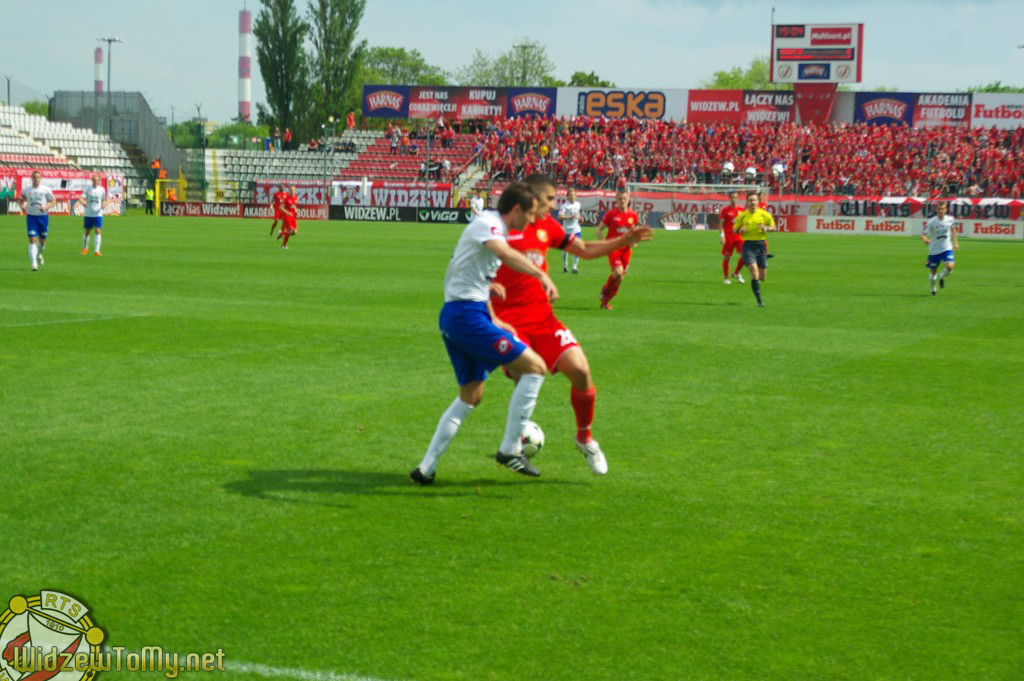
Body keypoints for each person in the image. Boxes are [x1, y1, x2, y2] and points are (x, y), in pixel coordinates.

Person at [492, 175, 652, 475]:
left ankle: (585, 438)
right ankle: (512, 445)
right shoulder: (499, 225)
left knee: (581, 371)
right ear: (534, 197)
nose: (556, 206)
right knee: (524, 377)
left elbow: (583, 249)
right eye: (551, 199)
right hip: (508, 323)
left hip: (542, 317)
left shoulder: (547, 226)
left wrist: (623, 240)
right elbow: (467, 264)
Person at [410, 183, 558, 484]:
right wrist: (540, 273)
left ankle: (426, 469)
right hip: (465, 318)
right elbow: (503, 254)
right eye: (529, 214)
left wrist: (492, 316)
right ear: (515, 209)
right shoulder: (488, 223)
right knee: (536, 368)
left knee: (471, 396)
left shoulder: (492, 229)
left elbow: (467, 276)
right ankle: (509, 449)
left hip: (464, 314)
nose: (531, 221)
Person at [595, 188, 641, 309]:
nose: (622, 201)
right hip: (614, 248)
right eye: (620, 199)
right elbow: (599, 230)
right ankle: (605, 290)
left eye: (624, 198)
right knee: (618, 272)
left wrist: (635, 241)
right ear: (616, 200)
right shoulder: (611, 214)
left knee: (620, 279)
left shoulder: (633, 215)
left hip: (626, 250)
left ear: (628, 200)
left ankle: (605, 301)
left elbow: (635, 231)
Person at [733, 192, 776, 307]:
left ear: (758, 202)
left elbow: (773, 227)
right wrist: (740, 230)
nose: (752, 203)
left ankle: (763, 261)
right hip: (748, 246)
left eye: (754, 200)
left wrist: (766, 228)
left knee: (762, 277)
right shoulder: (742, 216)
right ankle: (759, 301)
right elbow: (735, 229)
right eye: (750, 200)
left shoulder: (764, 214)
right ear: (746, 202)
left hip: (761, 245)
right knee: (754, 272)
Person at [19, 171, 56, 271]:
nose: (36, 179)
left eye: (38, 177)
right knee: (32, 240)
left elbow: (53, 201)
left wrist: (46, 206)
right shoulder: (27, 190)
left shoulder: (45, 190)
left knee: (42, 241)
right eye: (34, 177)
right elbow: (21, 199)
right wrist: (22, 206)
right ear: (31, 178)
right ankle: (34, 264)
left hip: (43, 217)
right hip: (31, 217)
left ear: (40, 178)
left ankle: (39, 254)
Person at [922, 200, 959, 296]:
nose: (940, 211)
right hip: (934, 250)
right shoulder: (932, 222)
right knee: (933, 272)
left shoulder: (950, 219)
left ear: (946, 210)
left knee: (950, 266)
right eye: (939, 209)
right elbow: (923, 234)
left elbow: (954, 229)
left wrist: (955, 243)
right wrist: (925, 239)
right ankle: (933, 288)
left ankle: (942, 276)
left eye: (942, 209)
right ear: (936, 210)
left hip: (946, 247)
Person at [719, 191, 746, 284]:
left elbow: (744, 223)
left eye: (735, 197)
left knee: (744, 255)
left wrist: (743, 229)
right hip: (729, 237)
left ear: (738, 198)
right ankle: (726, 278)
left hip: (740, 237)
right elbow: (721, 225)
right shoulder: (725, 210)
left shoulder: (742, 210)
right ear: (729, 198)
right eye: (732, 198)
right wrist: (722, 236)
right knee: (727, 257)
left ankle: (736, 273)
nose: (734, 199)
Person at [77, 174, 105, 256]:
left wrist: (103, 204)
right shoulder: (87, 189)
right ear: (91, 180)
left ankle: (96, 250)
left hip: (98, 214)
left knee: (98, 230)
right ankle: (85, 248)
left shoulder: (102, 190)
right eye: (94, 180)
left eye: (97, 180)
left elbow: (104, 199)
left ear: (99, 181)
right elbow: (81, 197)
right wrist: (82, 201)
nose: (95, 181)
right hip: (88, 214)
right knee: (87, 232)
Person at [558, 187, 583, 273]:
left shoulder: (578, 204)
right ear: (567, 196)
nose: (572, 197)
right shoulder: (564, 206)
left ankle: (574, 267)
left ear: (576, 196)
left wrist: (580, 218)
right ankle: (565, 265)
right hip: (566, 231)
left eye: (573, 195)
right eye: (570, 195)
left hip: (576, 229)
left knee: (578, 248)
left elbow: (578, 214)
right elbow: (559, 216)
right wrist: (569, 217)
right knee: (566, 249)